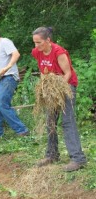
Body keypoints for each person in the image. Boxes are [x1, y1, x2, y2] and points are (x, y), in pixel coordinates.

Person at [31, 27, 86, 172]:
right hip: (52, 90)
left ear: (48, 40)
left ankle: (78, 159)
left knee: (67, 122)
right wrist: (45, 89)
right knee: (50, 120)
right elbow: (44, 72)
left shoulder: (58, 52)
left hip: (66, 87)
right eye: (34, 43)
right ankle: (52, 155)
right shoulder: (37, 52)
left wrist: (58, 91)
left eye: (39, 42)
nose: (36, 46)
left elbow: (67, 74)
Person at [0, 26, 29, 139]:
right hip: (1, 79)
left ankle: (22, 130)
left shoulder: (4, 42)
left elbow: (16, 54)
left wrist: (9, 66)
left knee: (3, 104)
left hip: (9, 78)